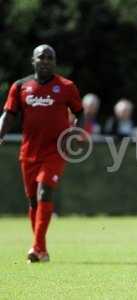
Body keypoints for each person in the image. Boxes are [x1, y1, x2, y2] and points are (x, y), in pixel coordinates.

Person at [0, 44, 83, 263]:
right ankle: (42, 249)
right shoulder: (20, 87)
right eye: (41, 57)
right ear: (33, 60)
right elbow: (8, 115)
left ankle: (36, 248)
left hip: (55, 151)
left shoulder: (66, 86)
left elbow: (79, 113)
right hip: (28, 152)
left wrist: (74, 133)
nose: (45, 60)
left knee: (44, 192)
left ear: (54, 62)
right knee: (33, 202)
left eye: (49, 57)